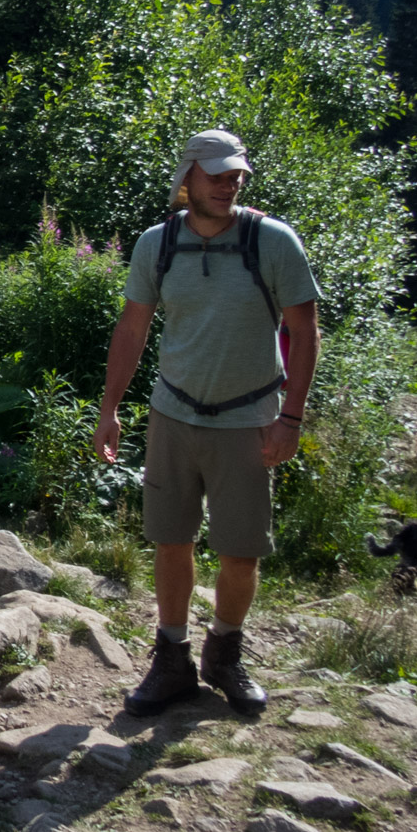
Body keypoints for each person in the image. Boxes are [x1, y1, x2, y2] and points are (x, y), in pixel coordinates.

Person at [94, 129, 320, 717]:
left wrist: (289, 418)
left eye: (237, 174)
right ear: (187, 177)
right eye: (217, 173)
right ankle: (171, 660)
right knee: (171, 541)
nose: (230, 183)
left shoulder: (271, 240)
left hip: (250, 418)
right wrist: (110, 410)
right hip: (173, 414)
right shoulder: (157, 244)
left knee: (240, 550)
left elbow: (304, 331)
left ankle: (224, 653)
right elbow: (132, 328)